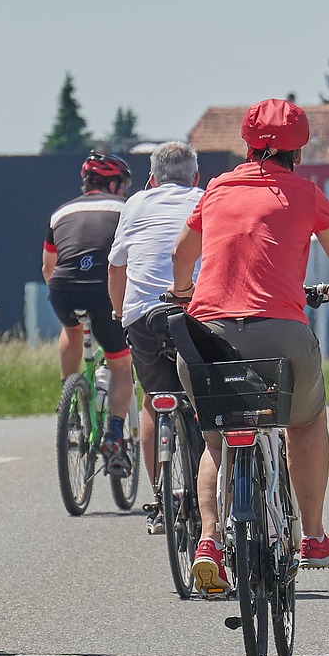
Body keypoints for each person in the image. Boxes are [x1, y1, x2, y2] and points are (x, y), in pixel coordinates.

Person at [168, 98, 329, 594]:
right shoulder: (305, 194)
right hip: (280, 332)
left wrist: (185, 294)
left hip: (206, 333)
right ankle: (313, 536)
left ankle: (209, 541)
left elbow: (181, 256)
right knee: (307, 421)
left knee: (216, 437)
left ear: (247, 143)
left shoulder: (216, 190)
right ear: (299, 151)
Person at [108, 140, 205, 535]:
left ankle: (161, 497)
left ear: (151, 179)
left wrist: (119, 312)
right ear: (196, 177)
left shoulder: (135, 205)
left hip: (144, 317)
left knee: (155, 401)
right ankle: (205, 493)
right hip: (194, 312)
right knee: (204, 400)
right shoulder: (206, 199)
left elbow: (117, 267)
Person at [46, 152, 134, 470]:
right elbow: (129, 261)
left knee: (70, 328)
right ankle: (114, 433)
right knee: (121, 365)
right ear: (113, 184)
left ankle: (68, 402)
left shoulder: (60, 212)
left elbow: (48, 266)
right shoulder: (126, 209)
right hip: (102, 288)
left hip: (63, 287)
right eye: (122, 185)